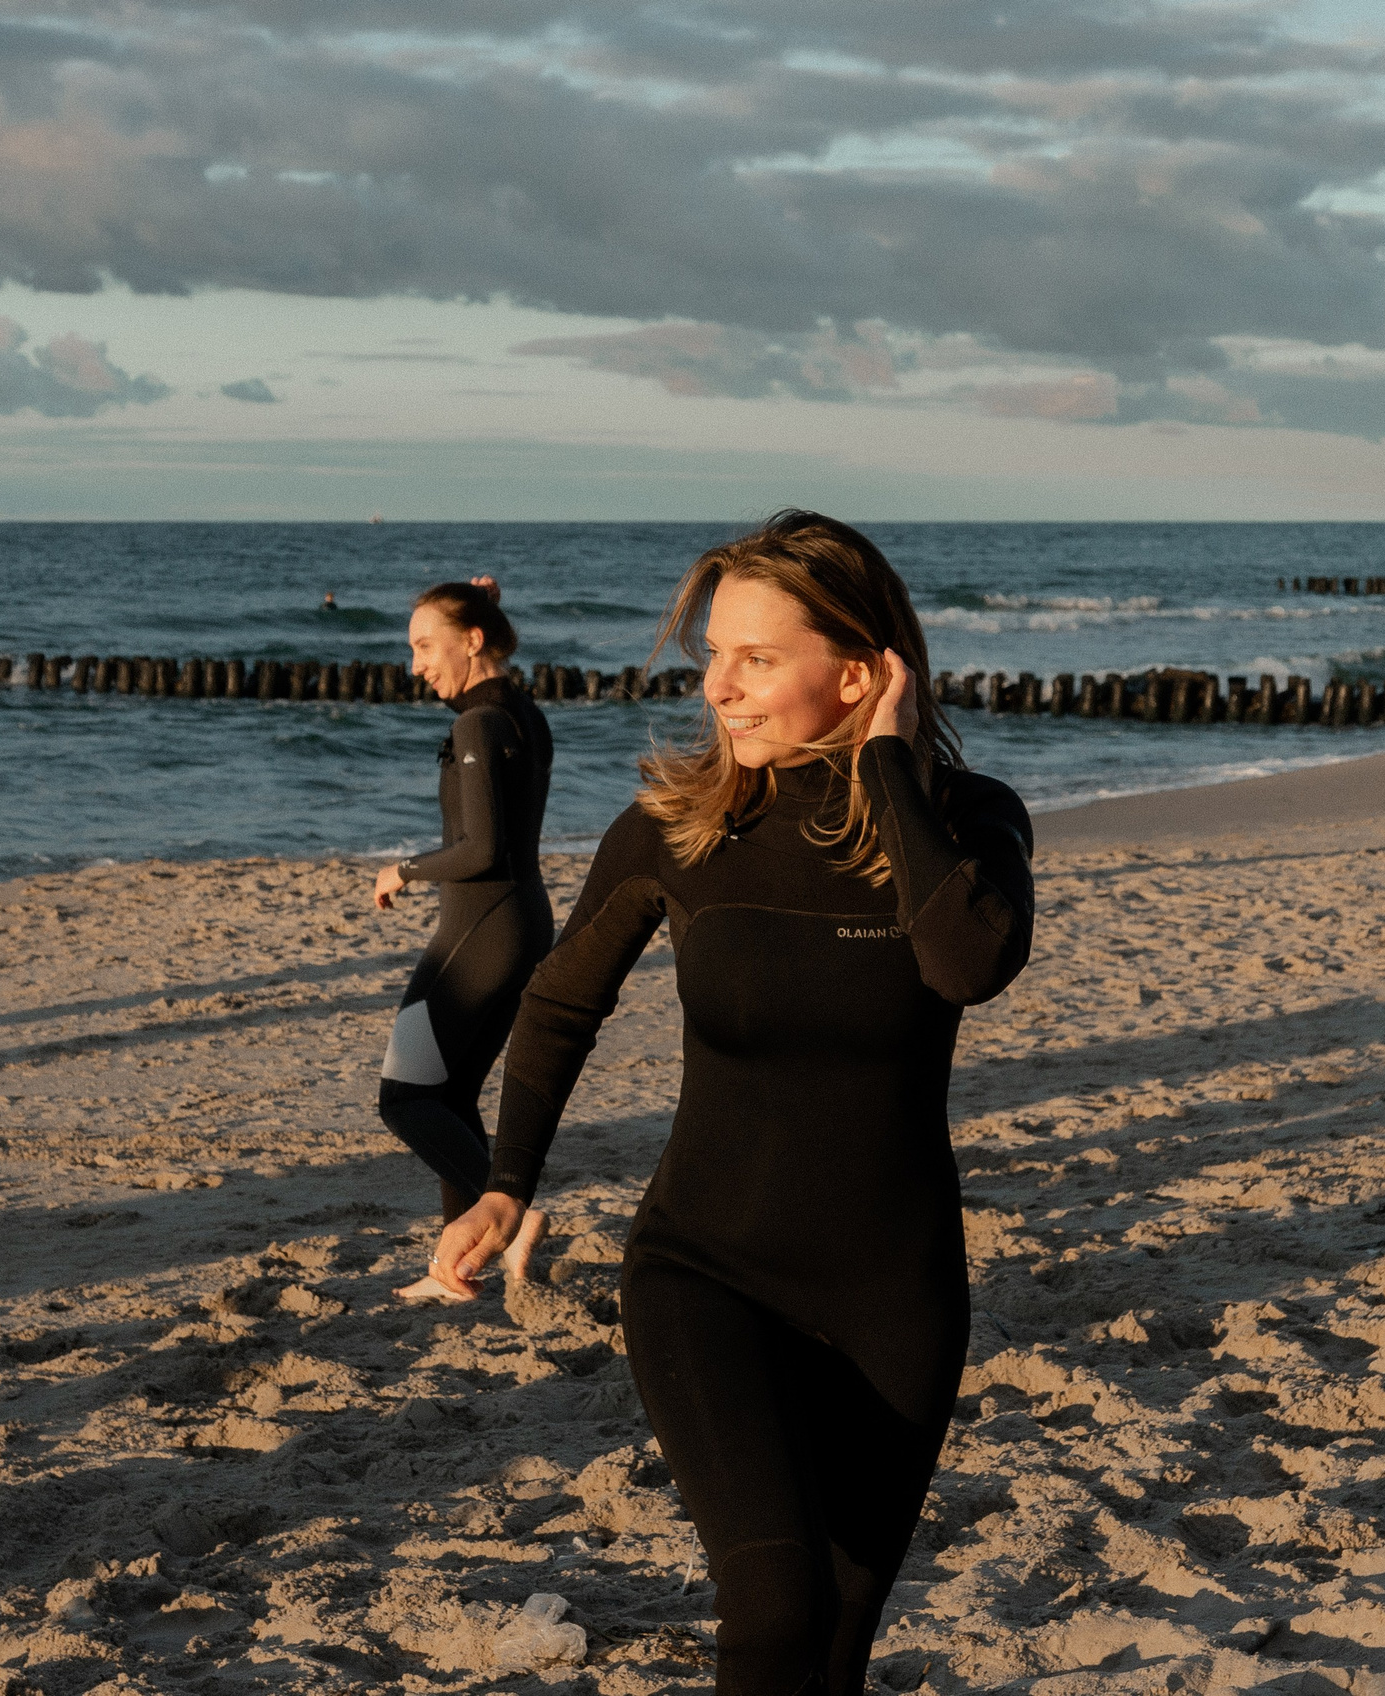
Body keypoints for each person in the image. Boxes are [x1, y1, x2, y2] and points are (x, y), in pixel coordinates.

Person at [430, 511, 1034, 1696]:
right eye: (714, 655)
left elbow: (966, 964)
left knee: (836, 1644)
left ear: (859, 673)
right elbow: (559, 1003)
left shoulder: (967, 821)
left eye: (755, 658)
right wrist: (506, 1184)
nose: (718, 688)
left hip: (894, 1296)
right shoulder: (677, 827)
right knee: (772, 1605)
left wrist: (887, 769)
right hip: (706, 1270)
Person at [373, 576, 554, 1301]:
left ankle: (514, 1215)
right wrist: (480, 606)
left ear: (472, 641)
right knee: (448, 1097)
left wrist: (404, 869)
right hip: (518, 924)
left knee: (404, 1099)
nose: (416, 664)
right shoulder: (521, 713)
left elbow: (479, 849)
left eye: (425, 646)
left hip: (480, 933)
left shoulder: (476, 726)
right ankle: (458, 1266)